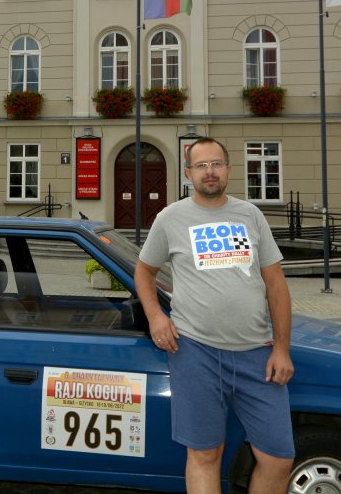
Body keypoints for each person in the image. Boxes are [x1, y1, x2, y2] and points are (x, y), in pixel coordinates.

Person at [134, 137, 294, 494]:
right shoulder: (171, 218)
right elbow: (143, 272)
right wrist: (156, 317)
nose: (210, 171)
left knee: (278, 459)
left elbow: (276, 285)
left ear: (229, 170)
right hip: (196, 352)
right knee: (206, 453)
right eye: (202, 165)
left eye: (217, 164)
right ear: (189, 173)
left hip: (257, 354)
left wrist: (282, 349)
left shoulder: (250, 215)